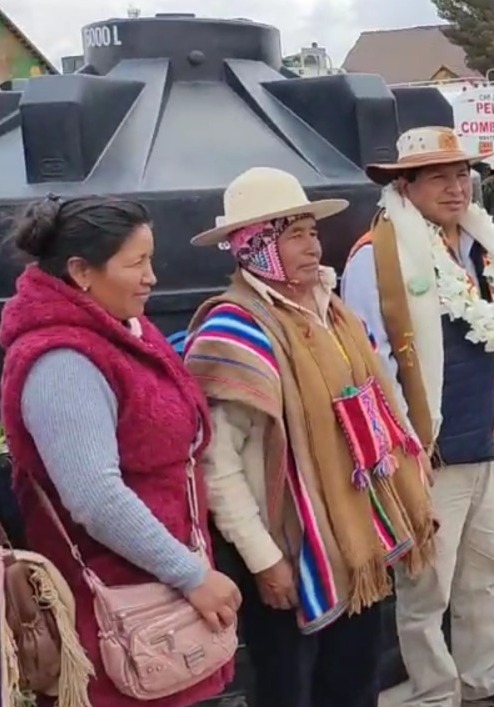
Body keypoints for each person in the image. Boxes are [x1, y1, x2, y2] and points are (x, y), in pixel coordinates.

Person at [184, 167, 436, 707]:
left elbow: (373, 404)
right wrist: (263, 558)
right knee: (290, 688)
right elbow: (218, 465)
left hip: (357, 538)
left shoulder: (331, 310)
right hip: (293, 548)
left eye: (311, 232)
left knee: (354, 680)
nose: (311, 245)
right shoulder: (233, 332)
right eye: (292, 234)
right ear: (254, 247)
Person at [342, 127, 494, 707]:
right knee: (426, 586)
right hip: (428, 453)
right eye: (438, 177)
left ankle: (487, 675)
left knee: (485, 569)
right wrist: (402, 452)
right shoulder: (377, 258)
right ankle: (435, 693)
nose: (456, 188)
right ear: (404, 186)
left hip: (488, 436)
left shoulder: (487, 247)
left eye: (462, 175)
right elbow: (371, 364)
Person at [0, 196, 239, 707]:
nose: (152, 277)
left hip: (163, 600)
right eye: (136, 263)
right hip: (117, 614)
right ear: (81, 271)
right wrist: (192, 575)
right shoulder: (63, 362)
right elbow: (95, 497)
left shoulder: (121, 327)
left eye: (151, 259)